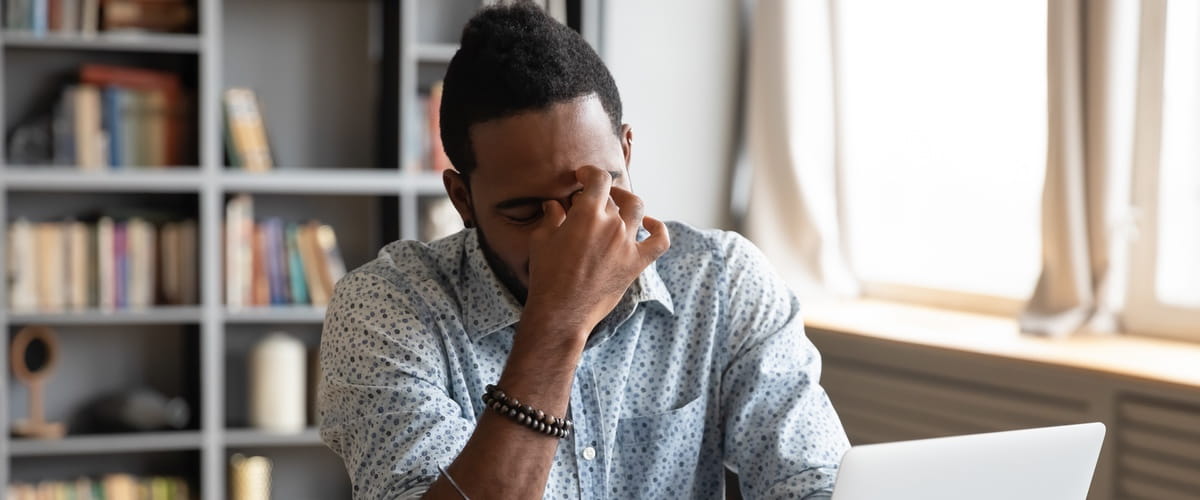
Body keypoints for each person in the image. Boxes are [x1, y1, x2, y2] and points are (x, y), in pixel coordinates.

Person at [318, 2, 849, 498]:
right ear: (463, 198)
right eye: (526, 212)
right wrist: (559, 319)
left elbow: (811, 481)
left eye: (593, 192)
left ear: (626, 151)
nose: (572, 235)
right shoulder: (385, 308)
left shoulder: (721, 281)